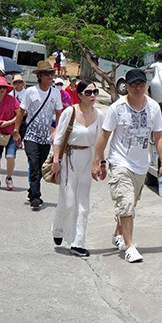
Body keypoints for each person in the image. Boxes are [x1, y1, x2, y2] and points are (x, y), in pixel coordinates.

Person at [92, 68, 162, 263]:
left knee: (129, 205)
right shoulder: (117, 108)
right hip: (120, 163)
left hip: (141, 165)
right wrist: (98, 162)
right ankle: (130, 246)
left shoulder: (153, 107)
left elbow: (158, 136)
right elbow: (104, 136)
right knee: (125, 204)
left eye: (141, 84)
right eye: (133, 84)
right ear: (126, 86)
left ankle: (118, 233)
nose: (137, 88)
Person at [51, 80, 105, 257]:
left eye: (95, 92)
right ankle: (58, 229)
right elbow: (58, 138)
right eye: (89, 93)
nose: (93, 96)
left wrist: (100, 164)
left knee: (83, 204)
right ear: (80, 95)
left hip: (88, 160)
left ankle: (77, 242)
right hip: (69, 159)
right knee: (68, 201)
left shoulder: (99, 115)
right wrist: (56, 160)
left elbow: (100, 142)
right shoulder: (70, 112)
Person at [13, 60, 63, 209]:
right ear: (40, 76)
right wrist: (16, 131)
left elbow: (59, 113)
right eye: (47, 74)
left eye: (52, 73)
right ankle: (36, 196)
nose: (50, 76)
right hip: (30, 135)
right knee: (33, 164)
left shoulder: (55, 92)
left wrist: (56, 131)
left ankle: (32, 189)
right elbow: (21, 112)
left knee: (39, 166)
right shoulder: (30, 92)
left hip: (45, 137)